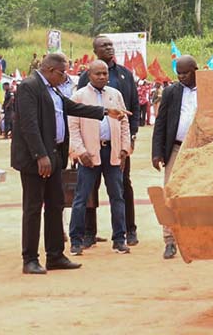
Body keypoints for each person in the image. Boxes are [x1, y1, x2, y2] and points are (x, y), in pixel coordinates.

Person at [11, 52, 129, 275]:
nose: (66, 77)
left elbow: (72, 107)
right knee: (34, 208)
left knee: (55, 205)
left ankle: (55, 255)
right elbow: (28, 125)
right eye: (63, 72)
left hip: (54, 156)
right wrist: (40, 155)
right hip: (36, 160)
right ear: (50, 70)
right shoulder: (30, 86)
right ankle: (30, 259)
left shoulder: (52, 89)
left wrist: (105, 112)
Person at [77, 36, 142, 247]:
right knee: (89, 190)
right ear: (95, 50)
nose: (109, 48)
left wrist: (129, 139)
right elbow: (77, 113)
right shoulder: (82, 83)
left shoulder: (124, 75)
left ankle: (128, 231)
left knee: (122, 187)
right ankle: (88, 233)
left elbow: (132, 108)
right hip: (91, 146)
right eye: (104, 45)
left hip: (118, 145)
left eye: (111, 44)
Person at [68, 60, 132, 255]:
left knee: (117, 197)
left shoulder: (115, 94)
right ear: (89, 75)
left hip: (112, 152)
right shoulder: (79, 96)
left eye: (105, 73)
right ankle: (76, 241)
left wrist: (124, 149)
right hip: (88, 154)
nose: (103, 77)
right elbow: (73, 128)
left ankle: (119, 239)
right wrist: (80, 152)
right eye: (98, 74)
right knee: (81, 198)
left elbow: (124, 123)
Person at [152, 55, 198, 260]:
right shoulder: (171, 92)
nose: (181, 76)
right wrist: (157, 153)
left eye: (185, 72)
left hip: (201, 150)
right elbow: (160, 122)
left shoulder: (209, 89)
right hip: (176, 150)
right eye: (178, 72)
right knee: (170, 192)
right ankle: (169, 240)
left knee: (198, 194)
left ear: (196, 70)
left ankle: (198, 238)